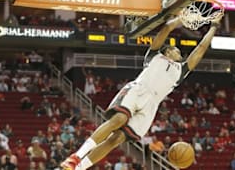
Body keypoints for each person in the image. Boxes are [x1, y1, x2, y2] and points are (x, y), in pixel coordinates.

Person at [60, 12, 223, 170]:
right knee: (119, 119)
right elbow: (165, 30)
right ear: (167, 51)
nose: (179, 53)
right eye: (176, 50)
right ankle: (75, 157)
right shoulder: (154, 56)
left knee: (117, 139)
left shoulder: (181, 70)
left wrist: (213, 27)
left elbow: (201, 48)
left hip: (152, 104)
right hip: (138, 90)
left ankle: (79, 167)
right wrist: (178, 19)